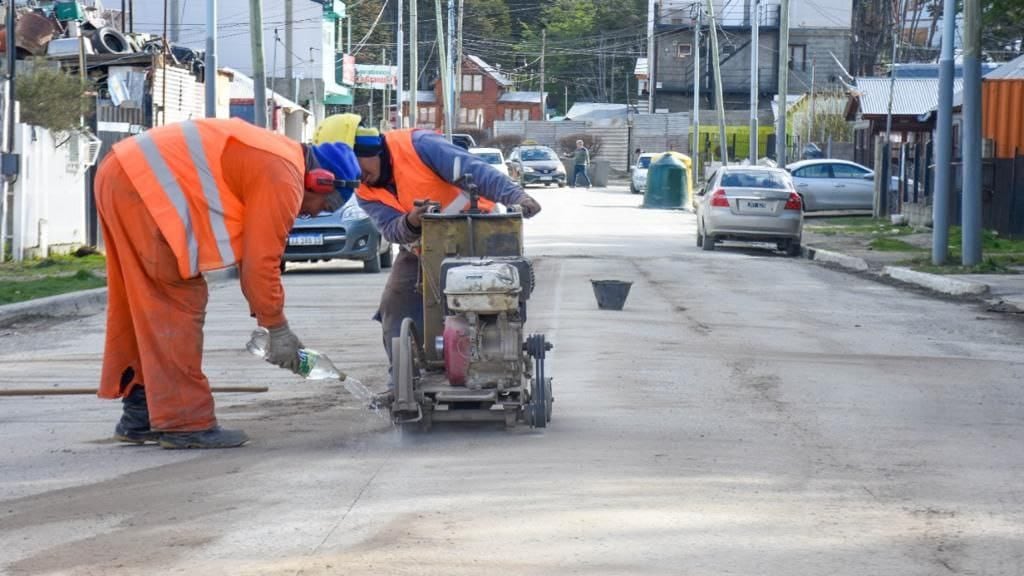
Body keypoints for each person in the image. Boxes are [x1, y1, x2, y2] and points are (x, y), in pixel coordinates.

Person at [95, 118, 358, 449]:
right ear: (320, 181)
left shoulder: (278, 157)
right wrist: (276, 329)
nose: (317, 214)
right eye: (326, 205)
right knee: (176, 301)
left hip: (122, 173)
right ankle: (184, 422)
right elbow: (260, 265)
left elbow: (255, 260)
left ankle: (141, 412)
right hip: (141, 184)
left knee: (142, 303)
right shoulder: (284, 176)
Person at [313, 115, 542, 374]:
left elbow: (476, 171)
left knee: (492, 299)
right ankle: (402, 379)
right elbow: (391, 230)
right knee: (394, 307)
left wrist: (517, 196)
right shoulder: (364, 190)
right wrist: (411, 221)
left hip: (478, 233)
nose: (359, 178)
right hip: (423, 249)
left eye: (354, 167)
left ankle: (496, 359)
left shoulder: (419, 145)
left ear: (366, 148)